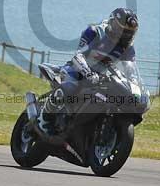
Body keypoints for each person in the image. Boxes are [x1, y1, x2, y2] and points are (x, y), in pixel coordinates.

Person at [37, 7, 138, 135]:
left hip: (101, 78)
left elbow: (131, 69)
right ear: (113, 25)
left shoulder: (127, 48)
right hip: (78, 69)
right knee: (69, 88)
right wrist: (88, 73)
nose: (126, 35)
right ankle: (44, 118)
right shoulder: (95, 32)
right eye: (123, 31)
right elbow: (78, 55)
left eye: (130, 33)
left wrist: (134, 85)